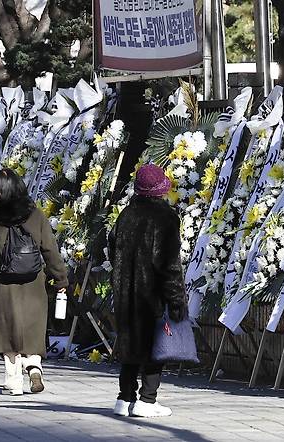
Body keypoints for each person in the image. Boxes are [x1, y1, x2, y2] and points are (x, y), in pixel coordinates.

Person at [0, 168, 68, 396]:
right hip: (34, 280)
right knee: (31, 326)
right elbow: (50, 249)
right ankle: (34, 364)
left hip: (2, 282)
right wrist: (60, 278)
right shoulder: (36, 215)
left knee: (6, 330)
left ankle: (13, 381)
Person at [108, 164, 188, 418]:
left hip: (125, 291)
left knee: (131, 343)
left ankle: (124, 397)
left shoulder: (126, 215)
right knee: (157, 345)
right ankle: (147, 399)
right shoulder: (165, 217)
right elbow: (169, 264)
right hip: (152, 294)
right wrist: (176, 299)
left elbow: (112, 250)